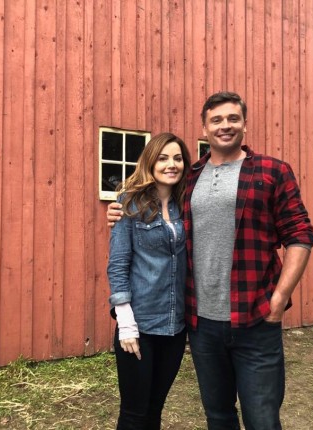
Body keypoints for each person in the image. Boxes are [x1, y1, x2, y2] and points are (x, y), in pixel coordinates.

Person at [107, 91, 313, 429]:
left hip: (255, 317)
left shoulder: (272, 171)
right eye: (216, 120)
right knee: (218, 416)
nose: (225, 126)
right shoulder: (190, 178)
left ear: (245, 124)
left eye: (233, 118)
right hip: (201, 323)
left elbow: (300, 234)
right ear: (204, 129)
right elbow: (150, 210)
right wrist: (121, 209)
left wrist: (278, 300)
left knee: (262, 419)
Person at [107, 132, 191, 429]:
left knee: (155, 409)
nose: (171, 164)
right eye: (163, 158)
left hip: (175, 326)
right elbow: (118, 265)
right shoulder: (129, 204)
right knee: (134, 414)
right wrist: (126, 323)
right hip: (140, 325)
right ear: (150, 162)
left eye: (178, 158)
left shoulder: (186, 204)